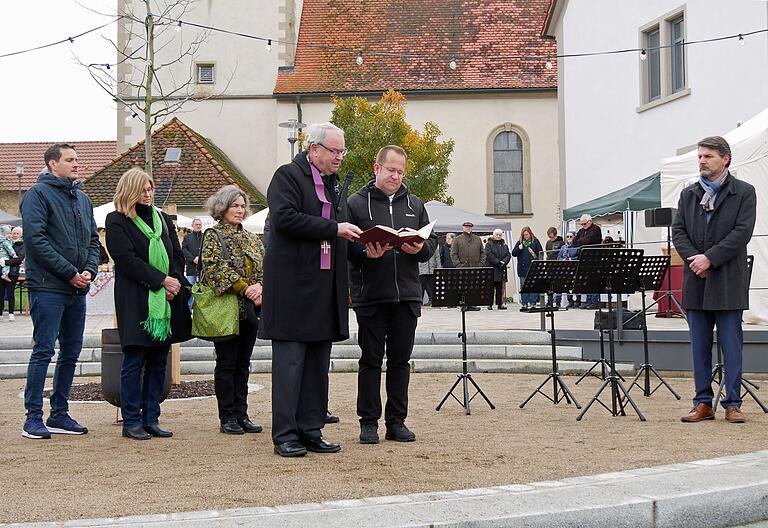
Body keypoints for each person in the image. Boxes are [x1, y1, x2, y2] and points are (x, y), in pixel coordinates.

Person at [259, 122, 361, 458]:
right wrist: (334, 228)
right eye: (334, 151)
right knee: (290, 366)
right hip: (292, 289)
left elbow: (341, 233)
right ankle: (286, 434)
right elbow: (285, 218)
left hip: (323, 290)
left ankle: (311, 429)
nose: (339, 157)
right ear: (314, 149)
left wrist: (366, 247)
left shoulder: (333, 186)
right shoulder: (287, 176)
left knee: (318, 365)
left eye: (342, 151)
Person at [348, 145, 437, 445]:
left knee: (400, 361)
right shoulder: (356, 204)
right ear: (377, 168)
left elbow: (431, 241)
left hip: (407, 296)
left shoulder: (414, 203)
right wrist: (365, 252)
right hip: (372, 295)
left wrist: (421, 248)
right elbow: (347, 246)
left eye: (400, 171)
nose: (396, 176)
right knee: (370, 361)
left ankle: (396, 421)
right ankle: (368, 422)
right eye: (391, 170)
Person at [673, 136, 756, 424]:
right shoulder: (688, 194)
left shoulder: (744, 192)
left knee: (732, 346)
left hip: (728, 280)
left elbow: (742, 232)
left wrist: (710, 258)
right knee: (699, 346)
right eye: (699, 156)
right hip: (696, 280)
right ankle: (702, 403)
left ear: (725, 159)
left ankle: (732, 403)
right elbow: (679, 232)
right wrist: (695, 259)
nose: (702, 161)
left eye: (708, 156)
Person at [20, 143, 100, 439]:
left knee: (71, 351)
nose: (77, 164)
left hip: (77, 289)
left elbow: (93, 240)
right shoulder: (37, 195)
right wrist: (70, 273)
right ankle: (32, 417)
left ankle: (59, 413)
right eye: (70, 159)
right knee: (43, 350)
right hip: (48, 287)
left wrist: (89, 270)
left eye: (77, 159)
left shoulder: (82, 198)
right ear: (53, 164)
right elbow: (36, 240)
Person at [105, 168, 191, 440]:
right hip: (136, 299)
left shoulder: (163, 219)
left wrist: (173, 281)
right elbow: (126, 259)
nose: (148, 193)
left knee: (158, 361)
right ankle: (131, 420)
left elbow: (177, 254)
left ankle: (151, 417)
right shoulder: (117, 220)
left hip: (166, 300)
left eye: (150, 188)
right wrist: (160, 281)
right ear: (129, 190)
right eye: (142, 189)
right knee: (134, 359)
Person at [198, 186, 265, 435]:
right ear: (222, 207)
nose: (239, 210)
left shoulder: (251, 237)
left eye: (242, 205)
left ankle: (242, 413)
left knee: (243, 364)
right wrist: (245, 287)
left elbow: (263, 265)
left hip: (249, 310)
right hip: (226, 309)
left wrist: (260, 286)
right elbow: (214, 268)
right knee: (227, 364)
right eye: (234, 205)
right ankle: (227, 415)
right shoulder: (213, 235)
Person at [451, 221, 485, 310]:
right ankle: (464, 304)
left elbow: (483, 253)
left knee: (474, 286)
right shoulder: (458, 239)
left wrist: (480, 264)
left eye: (470, 226)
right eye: (466, 226)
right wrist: (458, 264)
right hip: (462, 268)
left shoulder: (477, 239)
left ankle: (471, 304)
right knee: (463, 286)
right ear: (463, 227)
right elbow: (453, 253)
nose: (468, 228)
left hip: (475, 267)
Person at [572, 214, 602, 309]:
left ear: (590, 221)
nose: (583, 226)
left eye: (584, 223)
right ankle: (588, 301)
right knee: (587, 280)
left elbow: (589, 240)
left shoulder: (596, 229)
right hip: (584, 258)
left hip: (594, 258)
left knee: (594, 279)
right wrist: (581, 241)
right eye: (581, 224)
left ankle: (594, 301)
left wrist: (580, 241)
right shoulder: (581, 231)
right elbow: (574, 242)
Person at [511, 226, 543, 311]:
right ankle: (524, 303)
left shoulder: (535, 242)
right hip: (523, 268)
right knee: (524, 286)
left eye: (527, 234)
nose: (525, 236)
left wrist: (539, 264)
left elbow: (540, 253)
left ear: (530, 234)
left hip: (533, 268)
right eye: (524, 235)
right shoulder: (520, 243)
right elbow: (513, 253)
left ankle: (533, 303)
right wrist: (519, 248)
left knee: (533, 286)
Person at [1, 227, 24, 321]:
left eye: (17, 233)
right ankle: (0, 313)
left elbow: (19, 259)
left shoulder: (22, 245)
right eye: (13, 233)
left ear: (20, 235)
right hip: (1, 270)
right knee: (0, 292)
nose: (14, 235)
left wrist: (5, 262)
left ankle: (11, 313)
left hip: (13, 272)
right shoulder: (6, 241)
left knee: (10, 292)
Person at [484, 229, 511, 310]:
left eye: (500, 235)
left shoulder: (504, 245)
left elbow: (508, 255)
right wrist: (497, 262)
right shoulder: (489, 244)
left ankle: (500, 304)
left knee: (500, 288)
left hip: (501, 269)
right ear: (493, 235)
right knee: (490, 288)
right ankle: (489, 304)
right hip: (492, 268)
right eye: (497, 235)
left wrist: (504, 262)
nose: (498, 236)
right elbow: (489, 254)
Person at [182, 218, 204, 309]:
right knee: (190, 289)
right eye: (196, 224)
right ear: (192, 226)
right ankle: (188, 308)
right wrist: (193, 259)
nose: (198, 226)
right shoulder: (187, 237)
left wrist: (201, 259)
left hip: (203, 269)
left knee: (203, 290)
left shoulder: (205, 237)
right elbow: (184, 250)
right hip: (191, 269)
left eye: (200, 224)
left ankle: (202, 309)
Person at [558, 231, 580, 309]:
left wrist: (571, 259)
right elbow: (559, 257)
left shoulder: (577, 246)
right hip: (565, 268)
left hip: (574, 267)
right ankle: (570, 301)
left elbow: (578, 256)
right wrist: (563, 260)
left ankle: (578, 301)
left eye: (571, 236)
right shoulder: (563, 247)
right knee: (567, 285)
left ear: (574, 237)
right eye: (567, 237)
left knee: (576, 285)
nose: (569, 238)